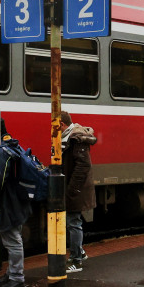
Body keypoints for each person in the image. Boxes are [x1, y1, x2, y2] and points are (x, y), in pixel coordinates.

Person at [0, 121, 32, 287]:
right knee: (13, 237)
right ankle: (11, 274)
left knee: (12, 240)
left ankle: (17, 278)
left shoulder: (1, 151)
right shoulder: (11, 145)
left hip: (7, 202)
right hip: (16, 200)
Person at [60, 111, 97, 272]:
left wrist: (72, 189)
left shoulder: (76, 140)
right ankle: (79, 252)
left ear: (61, 124)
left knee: (73, 223)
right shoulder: (71, 137)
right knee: (73, 222)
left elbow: (83, 166)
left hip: (76, 189)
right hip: (74, 187)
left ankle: (76, 260)